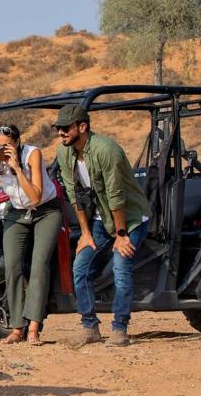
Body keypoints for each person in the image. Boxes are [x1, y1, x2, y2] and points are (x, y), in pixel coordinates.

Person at [54, 104, 151, 348]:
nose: (60, 133)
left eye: (65, 128)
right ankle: (90, 327)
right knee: (81, 267)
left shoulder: (106, 150)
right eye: (58, 128)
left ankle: (120, 328)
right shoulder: (64, 152)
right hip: (99, 218)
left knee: (121, 264)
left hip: (129, 218)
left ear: (82, 127)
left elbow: (116, 196)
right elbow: (74, 195)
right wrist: (85, 234)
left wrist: (121, 235)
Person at [0, 123, 62, 345]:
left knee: (39, 265)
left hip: (45, 211)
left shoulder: (32, 154)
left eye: (7, 146)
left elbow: (36, 196)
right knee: (12, 266)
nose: (1, 150)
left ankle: (33, 328)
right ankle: (16, 327)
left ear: (18, 143)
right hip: (17, 212)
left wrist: (18, 169)